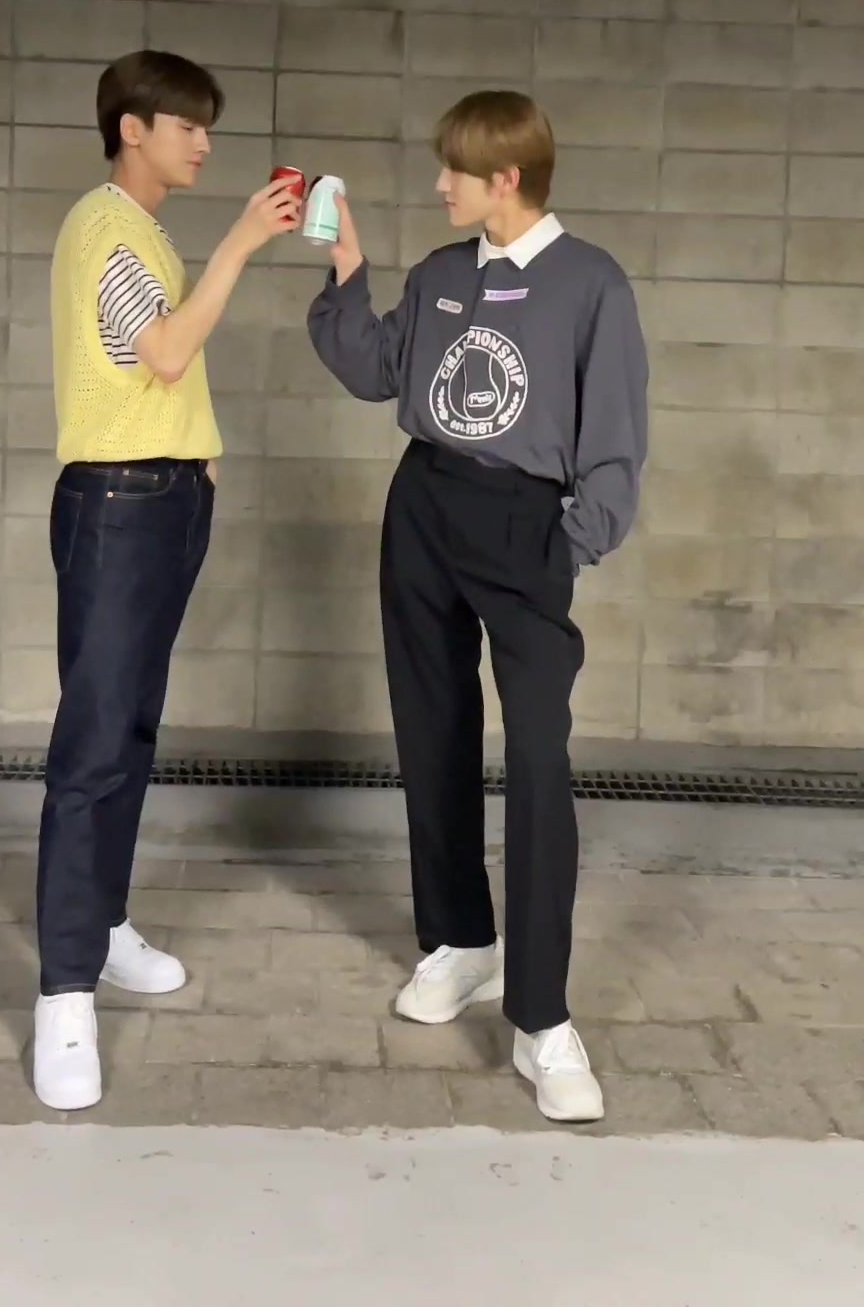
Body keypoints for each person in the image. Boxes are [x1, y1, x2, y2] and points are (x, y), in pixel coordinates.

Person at [307, 90, 647, 1123]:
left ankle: (542, 1018)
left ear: (506, 178)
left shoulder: (591, 283)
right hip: (425, 505)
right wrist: (347, 269)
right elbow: (376, 369)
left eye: (454, 169)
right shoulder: (442, 274)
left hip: (525, 524)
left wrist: (569, 543)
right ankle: (461, 938)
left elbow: (615, 437)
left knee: (537, 755)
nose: (438, 183)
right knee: (434, 729)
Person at [34, 49, 299, 1111]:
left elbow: (157, 375)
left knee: (132, 730)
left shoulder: (141, 232)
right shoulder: (106, 227)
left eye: (207, 126)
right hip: (119, 504)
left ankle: (101, 929)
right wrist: (242, 240)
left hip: (161, 500)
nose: (204, 142)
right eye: (186, 124)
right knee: (94, 744)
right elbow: (163, 353)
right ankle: (63, 993)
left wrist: (199, 463)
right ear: (131, 129)